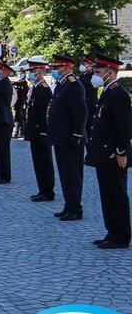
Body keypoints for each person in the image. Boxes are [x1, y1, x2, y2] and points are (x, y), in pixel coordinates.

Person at [85, 54, 131, 249]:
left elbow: (125, 127)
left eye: (98, 72)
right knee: (107, 194)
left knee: (116, 194)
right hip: (104, 153)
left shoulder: (118, 93)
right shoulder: (108, 91)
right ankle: (112, 231)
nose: (94, 75)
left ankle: (120, 236)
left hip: (113, 154)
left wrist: (121, 151)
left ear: (110, 73)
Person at [47, 54, 88, 222]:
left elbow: (81, 112)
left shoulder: (73, 85)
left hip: (70, 137)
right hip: (61, 137)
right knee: (65, 173)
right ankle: (68, 205)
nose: (54, 71)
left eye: (56, 68)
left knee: (72, 174)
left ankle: (75, 208)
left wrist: (77, 134)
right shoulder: (62, 84)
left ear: (67, 68)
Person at [25, 57, 55, 201]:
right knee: (38, 162)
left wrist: (43, 132)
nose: (29, 74)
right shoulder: (36, 88)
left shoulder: (43, 90)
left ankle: (48, 191)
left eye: (32, 71)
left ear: (39, 72)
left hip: (41, 132)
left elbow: (45, 114)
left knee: (44, 162)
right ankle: (42, 189)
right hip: (35, 131)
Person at [79, 56, 98, 151]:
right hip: (86, 105)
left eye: (84, 64)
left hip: (90, 106)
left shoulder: (91, 76)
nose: (82, 66)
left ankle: (91, 151)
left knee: (89, 130)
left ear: (90, 65)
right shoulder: (85, 75)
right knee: (85, 129)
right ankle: (89, 151)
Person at [12, 72, 29, 138]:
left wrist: (10, 81)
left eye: (21, 73)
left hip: (22, 102)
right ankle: (19, 132)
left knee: (21, 117)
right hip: (18, 102)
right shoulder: (21, 82)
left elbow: (17, 83)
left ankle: (21, 131)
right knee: (19, 116)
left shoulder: (23, 82)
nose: (19, 75)